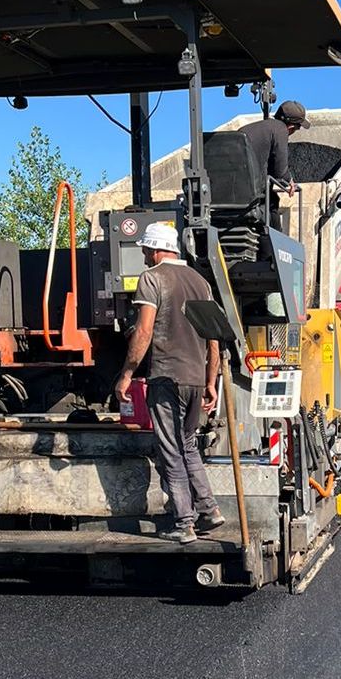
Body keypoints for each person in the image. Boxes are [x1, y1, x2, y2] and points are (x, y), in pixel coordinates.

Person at [115, 222, 226, 544]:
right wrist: (210, 381)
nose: (145, 257)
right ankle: (210, 509)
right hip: (195, 379)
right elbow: (213, 338)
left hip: (166, 379)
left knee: (171, 451)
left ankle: (184, 523)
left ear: (154, 249)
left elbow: (144, 331)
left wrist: (126, 374)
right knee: (188, 445)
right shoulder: (200, 282)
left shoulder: (153, 278)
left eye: (146, 251)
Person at [238, 100, 311, 220]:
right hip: (253, 192)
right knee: (272, 203)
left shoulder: (246, 129)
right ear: (291, 127)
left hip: (234, 189)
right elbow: (280, 170)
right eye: (298, 128)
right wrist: (289, 181)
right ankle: (272, 237)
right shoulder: (280, 130)